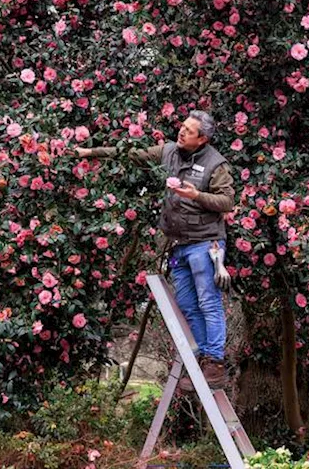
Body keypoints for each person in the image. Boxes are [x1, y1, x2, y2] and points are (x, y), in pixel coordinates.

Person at [77, 110, 236, 391]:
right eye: (183, 127)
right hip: (179, 244)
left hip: (206, 243)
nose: (182, 132)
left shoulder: (216, 164)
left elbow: (226, 201)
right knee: (187, 304)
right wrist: (89, 152)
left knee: (208, 303)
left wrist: (196, 195)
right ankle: (203, 359)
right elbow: (132, 153)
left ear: (203, 139)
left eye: (189, 130)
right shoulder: (170, 151)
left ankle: (216, 363)